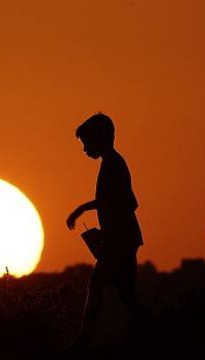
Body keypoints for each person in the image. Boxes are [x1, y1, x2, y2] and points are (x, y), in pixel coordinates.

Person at [66, 112, 146, 347]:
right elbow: (112, 200)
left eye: (87, 143)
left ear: (101, 138)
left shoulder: (114, 164)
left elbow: (128, 202)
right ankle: (153, 332)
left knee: (98, 284)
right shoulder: (112, 163)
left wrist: (82, 209)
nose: (85, 150)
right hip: (121, 238)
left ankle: (83, 340)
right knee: (125, 294)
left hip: (121, 240)